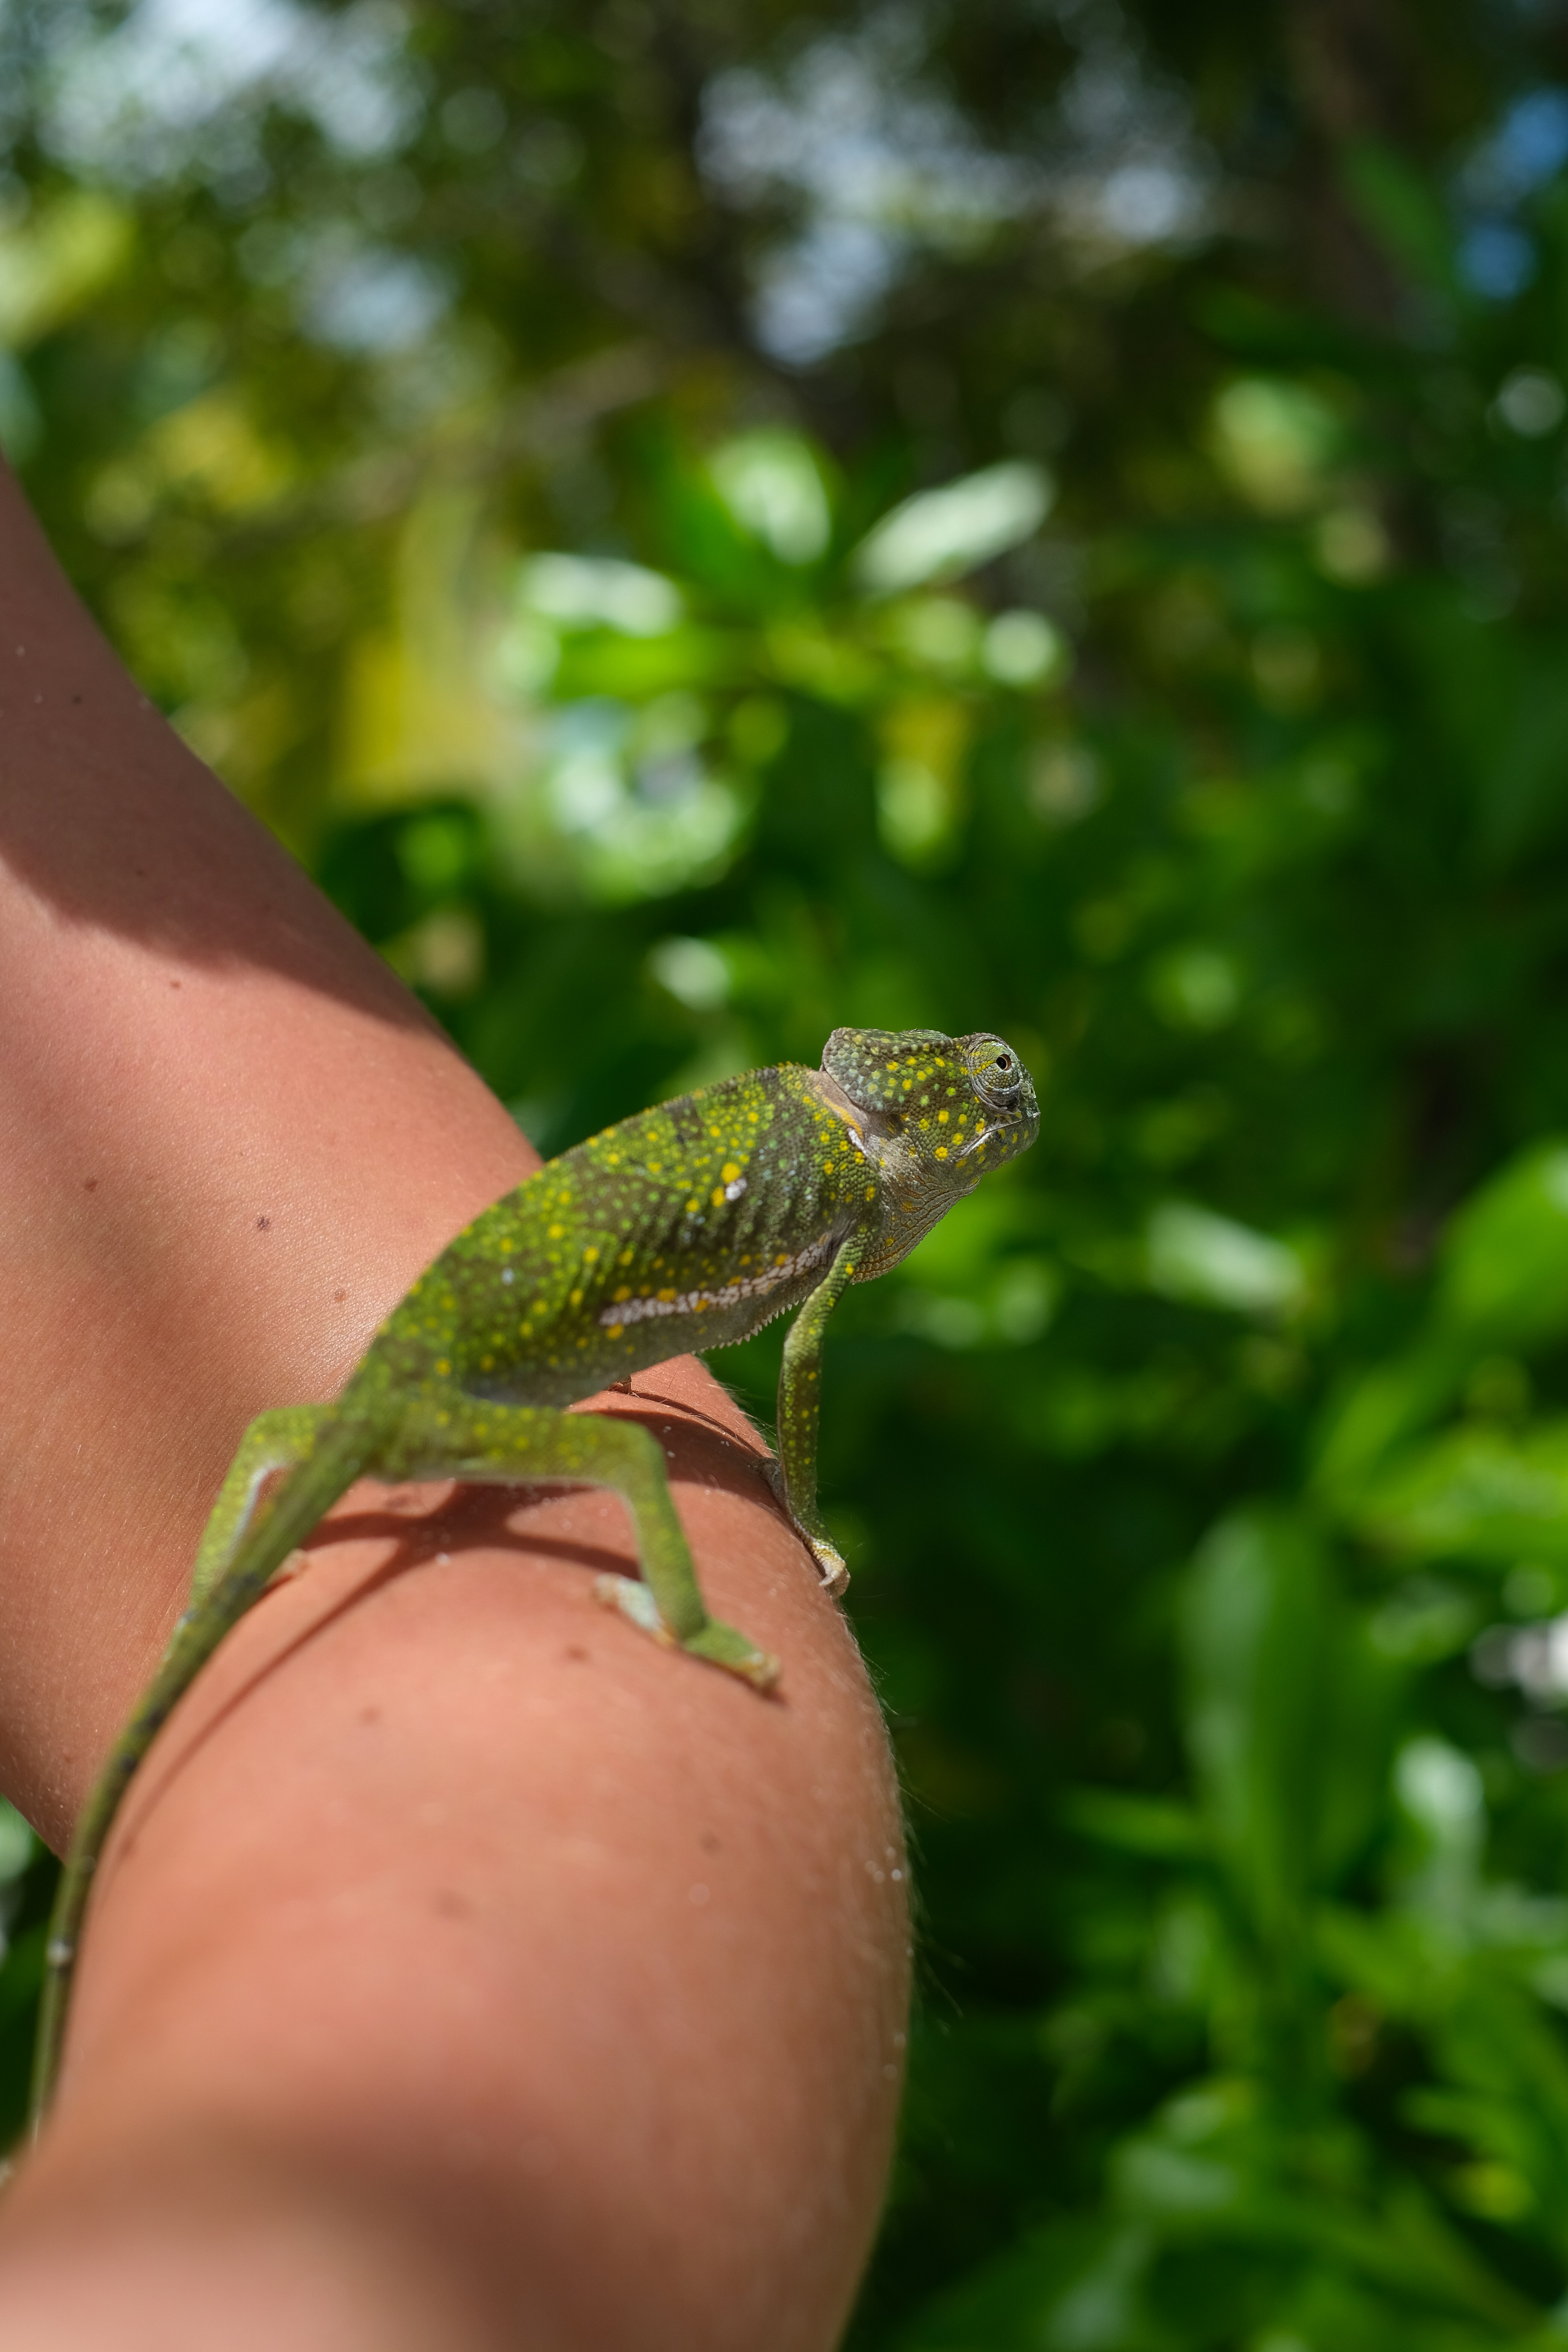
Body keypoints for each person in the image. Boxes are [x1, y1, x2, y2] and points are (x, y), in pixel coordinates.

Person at [0, 457, 908, 2350]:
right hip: (417, 1410)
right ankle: (663, 1598)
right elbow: (790, 1364)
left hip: (359, 1412)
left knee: (314, 1455)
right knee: (595, 1456)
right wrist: (714, 1600)